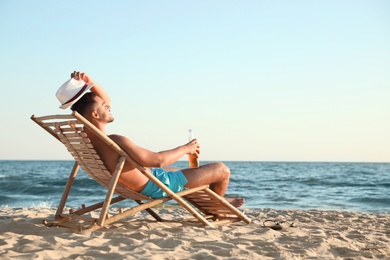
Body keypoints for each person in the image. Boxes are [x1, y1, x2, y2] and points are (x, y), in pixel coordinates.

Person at [58, 71, 244, 208]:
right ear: (95, 114)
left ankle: (218, 200)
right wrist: (186, 148)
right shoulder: (115, 141)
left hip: (148, 179)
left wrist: (90, 83)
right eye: (104, 107)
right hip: (156, 186)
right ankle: (218, 208)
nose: (108, 106)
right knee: (221, 170)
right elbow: (158, 160)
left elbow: (104, 102)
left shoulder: (87, 138)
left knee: (182, 170)